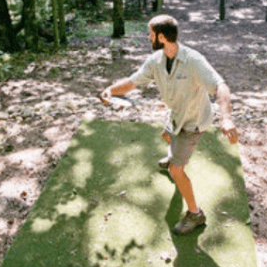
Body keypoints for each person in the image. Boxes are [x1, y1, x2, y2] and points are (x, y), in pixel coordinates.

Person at [100, 14, 239, 235]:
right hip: (175, 114)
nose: (148, 37)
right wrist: (111, 90)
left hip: (193, 122)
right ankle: (172, 154)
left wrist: (226, 118)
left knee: (176, 170)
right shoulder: (156, 60)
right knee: (167, 137)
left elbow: (220, 86)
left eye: (151, 34)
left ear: (162, 37)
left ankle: (195, 214)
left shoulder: (193, 60)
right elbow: (133, 80)